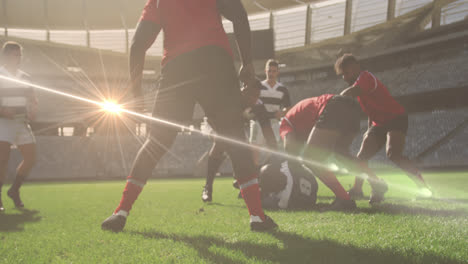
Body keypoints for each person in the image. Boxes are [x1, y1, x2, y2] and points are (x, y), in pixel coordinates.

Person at [101, 0, 277, 232]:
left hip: (177, 68)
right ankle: (257, 216)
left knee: (156, 141)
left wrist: (136, 93)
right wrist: (246, 64)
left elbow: (137, 45)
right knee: (235, 138)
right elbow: (239, 16)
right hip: (214, 62)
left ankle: (121, 212)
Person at [335, 54, 429, 200]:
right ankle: (357, 190)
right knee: (361, 158)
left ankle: (423, 188)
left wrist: (334, 102)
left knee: (393, 154)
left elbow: (351, 93)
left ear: (355, 68)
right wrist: (368, 130)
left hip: (396, 118)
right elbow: (371, 111)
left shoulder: (365, 77)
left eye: (346, 73)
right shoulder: (359, 84)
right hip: (378, 123)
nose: (344, 78)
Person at [280, 94, 385, 210]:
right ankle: (376, 183)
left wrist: (292, 167)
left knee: (310, 158)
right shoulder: (300, 120)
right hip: (352, 110)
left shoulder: (285, 123)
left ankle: (344, 200)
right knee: (342, 154)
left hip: (333, 107)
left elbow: (289, 145)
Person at [201, 80, 277, 202]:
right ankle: (208, 187)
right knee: (221, 141)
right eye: (252, 95)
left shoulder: (258, 105)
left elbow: (267, 129)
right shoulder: (230, 99)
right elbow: (211, 117)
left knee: (244, 148)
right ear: (244, 89)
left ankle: (243, 182)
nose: (254, 99)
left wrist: (275, 150)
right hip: (213, 122)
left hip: (235, 127)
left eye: (257, 95)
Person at [0, 41, 38, 211]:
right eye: (16, 54)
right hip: (3, 122)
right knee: (2, 160)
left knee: (31, 158)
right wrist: (2, 111)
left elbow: (33, 98)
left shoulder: (25, 77)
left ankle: (14, 190)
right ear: (6, 55)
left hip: (21, 122)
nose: (19, 58)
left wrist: (32, 110)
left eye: (20, 54)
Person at [250, 59, 291, 163]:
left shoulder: (282, 89)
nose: (271, 73)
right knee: (255, 149)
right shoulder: (258, 87)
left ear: (278, 72)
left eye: (274, 71)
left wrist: (281, 113)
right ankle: (255, 175)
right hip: (258, 122)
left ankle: (269, 173)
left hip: (274, 123)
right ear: (265, 71)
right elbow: (252, 103)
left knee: (273, 150)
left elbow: (288, 107)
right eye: (269, 71)